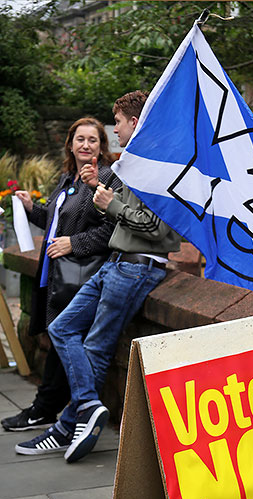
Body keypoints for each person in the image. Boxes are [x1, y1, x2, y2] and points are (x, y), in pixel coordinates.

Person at [15, 90, 181, 462]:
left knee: (96, 348)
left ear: (133, 122)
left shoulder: (157, 165)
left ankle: (64, 426)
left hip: (138, 266)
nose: (114, 130)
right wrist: (97, 193)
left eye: (117, 123)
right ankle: (86, 408)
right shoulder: (132, 164)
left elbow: (161, 231)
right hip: (117, 264)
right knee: (61, 328)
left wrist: (109, 203)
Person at [3, 117, 119, 434]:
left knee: (62, 337)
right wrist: (31, 209)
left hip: (80, 278)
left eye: (92, 140)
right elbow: (57, 223)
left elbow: (113, 231)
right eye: (79, 139)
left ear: (101, 145)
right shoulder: (68, 178)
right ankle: (49, 407)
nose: (85, 145)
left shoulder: (106, 178)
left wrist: (74, 243)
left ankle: (47, 408)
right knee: (59, 337)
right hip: (53, 276)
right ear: (70, 144)